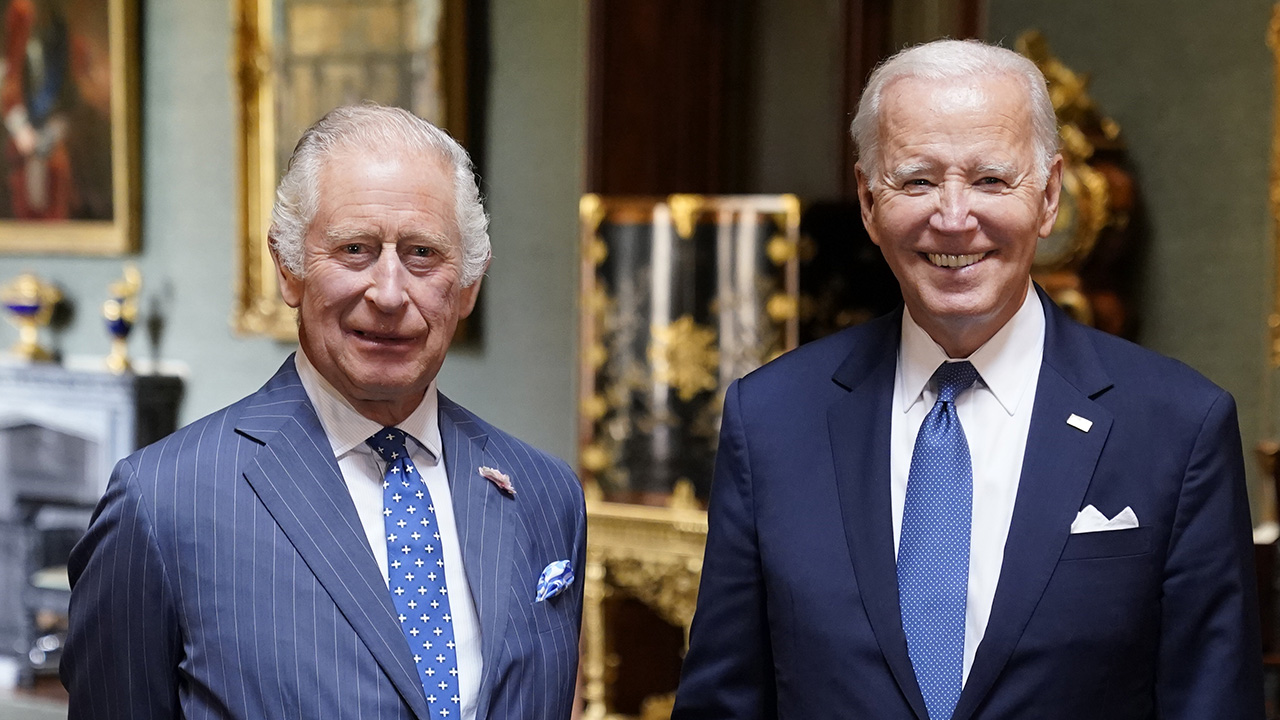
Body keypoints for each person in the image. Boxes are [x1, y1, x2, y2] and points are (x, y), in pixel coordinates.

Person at [672, 39, 1263, 720]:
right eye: (917, 181)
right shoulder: (772, 420)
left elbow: (1213, 701)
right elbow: (722, 703)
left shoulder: (1178, 427)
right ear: (868, 200)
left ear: (1048, 197)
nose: (953, 218)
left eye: (990, 180)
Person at [61, 103, 586, 720]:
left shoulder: (546, 497)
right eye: (355, 249)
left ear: (468, 284)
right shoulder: (162, 505)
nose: (389, 294)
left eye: (422, 254)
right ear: (289, 268)